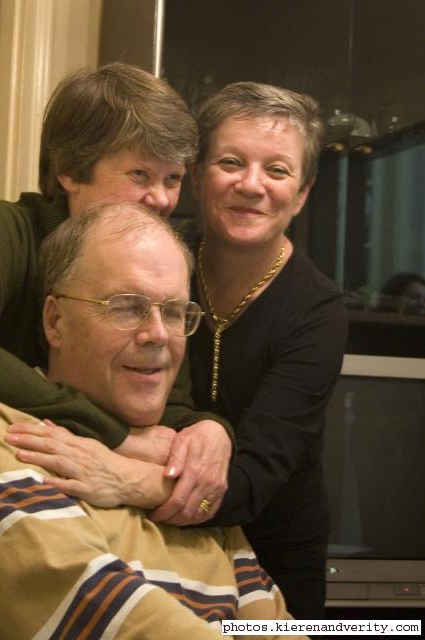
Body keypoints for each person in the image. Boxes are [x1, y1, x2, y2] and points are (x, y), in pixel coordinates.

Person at [0, 203, 305, 640]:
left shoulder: (191, 471)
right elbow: (111, 626)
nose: (157, 334)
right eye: (127, 307)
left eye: (174, 311)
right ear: (55, 321)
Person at [0, 62, 232, 519]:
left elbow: (167, 422)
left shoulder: (155, 260)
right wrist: (115, 434)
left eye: (173, 179)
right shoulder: (7, 229)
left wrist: (212, 433)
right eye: (140, 175)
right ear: (69, 172)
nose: (161, 199)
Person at [151, 82, 347, 619]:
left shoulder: (318, 310)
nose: (251, 185)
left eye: (278, 170)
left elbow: (254, 477)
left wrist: (117, 474)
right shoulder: (154, 262)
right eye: (231, 162)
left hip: (276, 558)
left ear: (303, 193)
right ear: (195, 175)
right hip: (154, 539)